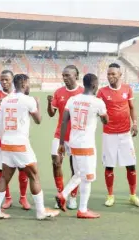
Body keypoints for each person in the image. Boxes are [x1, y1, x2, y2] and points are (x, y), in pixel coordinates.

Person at [0, 74, 60, 220]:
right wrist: (38, 104)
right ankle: (40, 211)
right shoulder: (28, 100)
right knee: (34, 175)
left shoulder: (6, 100)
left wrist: (5, 139)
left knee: (4, 177)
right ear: (23, 83)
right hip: (20, 144)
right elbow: (39, 119)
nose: (29, 85)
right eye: (28, 83)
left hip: (7, 143)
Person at [56, 73, 109, 219]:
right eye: (97, 84)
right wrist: (103, 115)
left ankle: (63, 194)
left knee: (79, 174)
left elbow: (64, 121)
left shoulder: (73, 99)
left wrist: (61, 143)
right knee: (88, 178)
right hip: (86, 144)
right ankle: (83, 210)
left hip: (73, 142)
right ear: (93, 85)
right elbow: (106, 121)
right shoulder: (98, 102)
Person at [97, 63, 139, 207]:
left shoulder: (127, 89)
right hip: (109, 134)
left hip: (125, 134)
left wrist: (134, 123)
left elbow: (132, 107)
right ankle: (110, 196)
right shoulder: (102, 92)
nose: (110, 76)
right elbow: (99, 110)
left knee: (131, 165)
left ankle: (133, 195)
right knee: (109, 166)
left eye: (113, 74)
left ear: (120, 75)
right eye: (108, 74)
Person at [0, 70, 30, 210]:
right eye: (2, 80)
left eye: (7, 79)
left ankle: (23, 198)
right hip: (0, 140)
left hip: (19, 139)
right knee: (2, 171)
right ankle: (7, 198)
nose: (4, 82)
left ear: (13, 80)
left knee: (23, 169)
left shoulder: (20, 96)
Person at [47, 65, 83, 209]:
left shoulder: (82, 93)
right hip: (60, 134)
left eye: (68, 75)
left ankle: (72, 197)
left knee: (75, 168)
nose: (65, 78)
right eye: (63, 75)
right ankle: (60, 193)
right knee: (56, 161)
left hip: (77, 137)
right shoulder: (58, 92)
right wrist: (49, 103)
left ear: (76, 76)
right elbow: (51, 113)